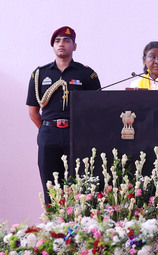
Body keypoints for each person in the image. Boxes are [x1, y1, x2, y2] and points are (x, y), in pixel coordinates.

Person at [26, 26, 101, 204]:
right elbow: (33, 111)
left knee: (80, 184)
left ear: (74, 46)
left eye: (67, 41)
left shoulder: (86, 74)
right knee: (50, 185)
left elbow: (97, 108)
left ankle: (80, 223)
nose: (62, 44)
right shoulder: (39, 74)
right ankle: (53, 225)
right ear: (52, 46)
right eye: (58, 41)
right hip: (49, 134)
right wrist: (47, 129)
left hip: (76, 135)